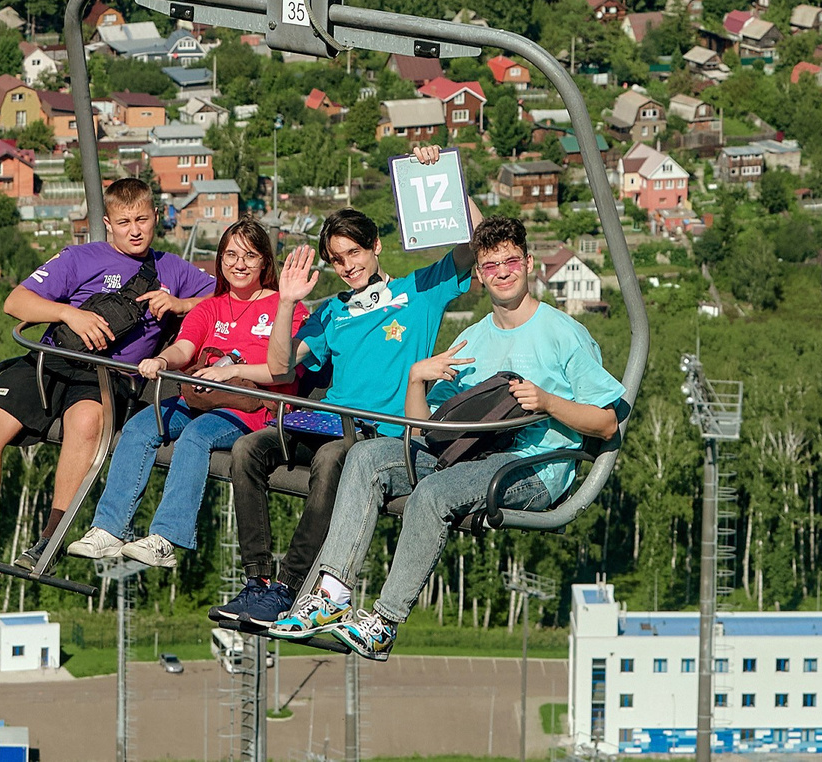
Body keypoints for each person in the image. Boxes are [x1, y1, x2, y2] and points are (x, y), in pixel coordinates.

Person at [268, 215, 625, 658]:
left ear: (529, 263)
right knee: (366, 457)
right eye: (491, 266)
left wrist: (549, 403)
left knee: (433, 493)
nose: (503, 272)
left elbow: (607, 423)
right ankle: (330, 596)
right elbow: (425, 432)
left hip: (530, 465)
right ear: (479, 274)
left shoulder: (564, 335)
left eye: (511, 261)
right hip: (467, 453)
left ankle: (384, 621)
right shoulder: (473, 339)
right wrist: (417, 380)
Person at [206, 198, 481, 632]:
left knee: (333, 458)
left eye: (354, 253)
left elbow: (476, 244)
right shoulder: (332, 312)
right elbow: (280, 367)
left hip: (376, 434)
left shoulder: (420, 291)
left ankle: (289, 585)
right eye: (337, 259)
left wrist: (450, 183)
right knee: (246, 450)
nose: (348, 267)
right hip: (324, 420)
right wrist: (285, 305)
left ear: (375, 247)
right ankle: (257, 579)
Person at [0, 177, 215, 594]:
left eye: (142, 219)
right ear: (107, 223)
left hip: (108, 376)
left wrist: (181, 304)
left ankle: (48, 540)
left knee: (86, 422)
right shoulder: (80, 258)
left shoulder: (172, 270)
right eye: (123, 222)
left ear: (156, 218)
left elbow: (229, 301)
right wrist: (69, 314)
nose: (134, 230)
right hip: (50, 362)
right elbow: (16, 302)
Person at [67, 219, 305, 570]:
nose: (239, 264)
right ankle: (109, 528)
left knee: (196, 437)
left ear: (265, 262)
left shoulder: (286, 308)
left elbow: (283, 368)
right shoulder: (210, 307)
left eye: (250, 256)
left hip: (251, 407)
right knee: (139, 428)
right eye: (230, 255)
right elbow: (185, 348)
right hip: (201, 396)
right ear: (221, 260)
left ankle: (166, 538)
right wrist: (162, 360)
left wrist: (230, 372)